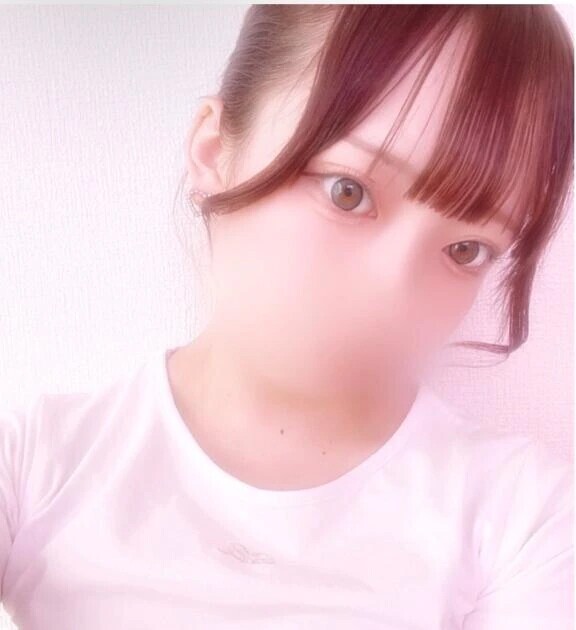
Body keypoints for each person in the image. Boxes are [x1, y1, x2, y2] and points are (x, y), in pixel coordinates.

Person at [0, 5, 573, 629]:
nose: (391, 296)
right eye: (347, 192)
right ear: (213, 152)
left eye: (465, 250)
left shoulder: (525, 522)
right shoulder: (31, 464)